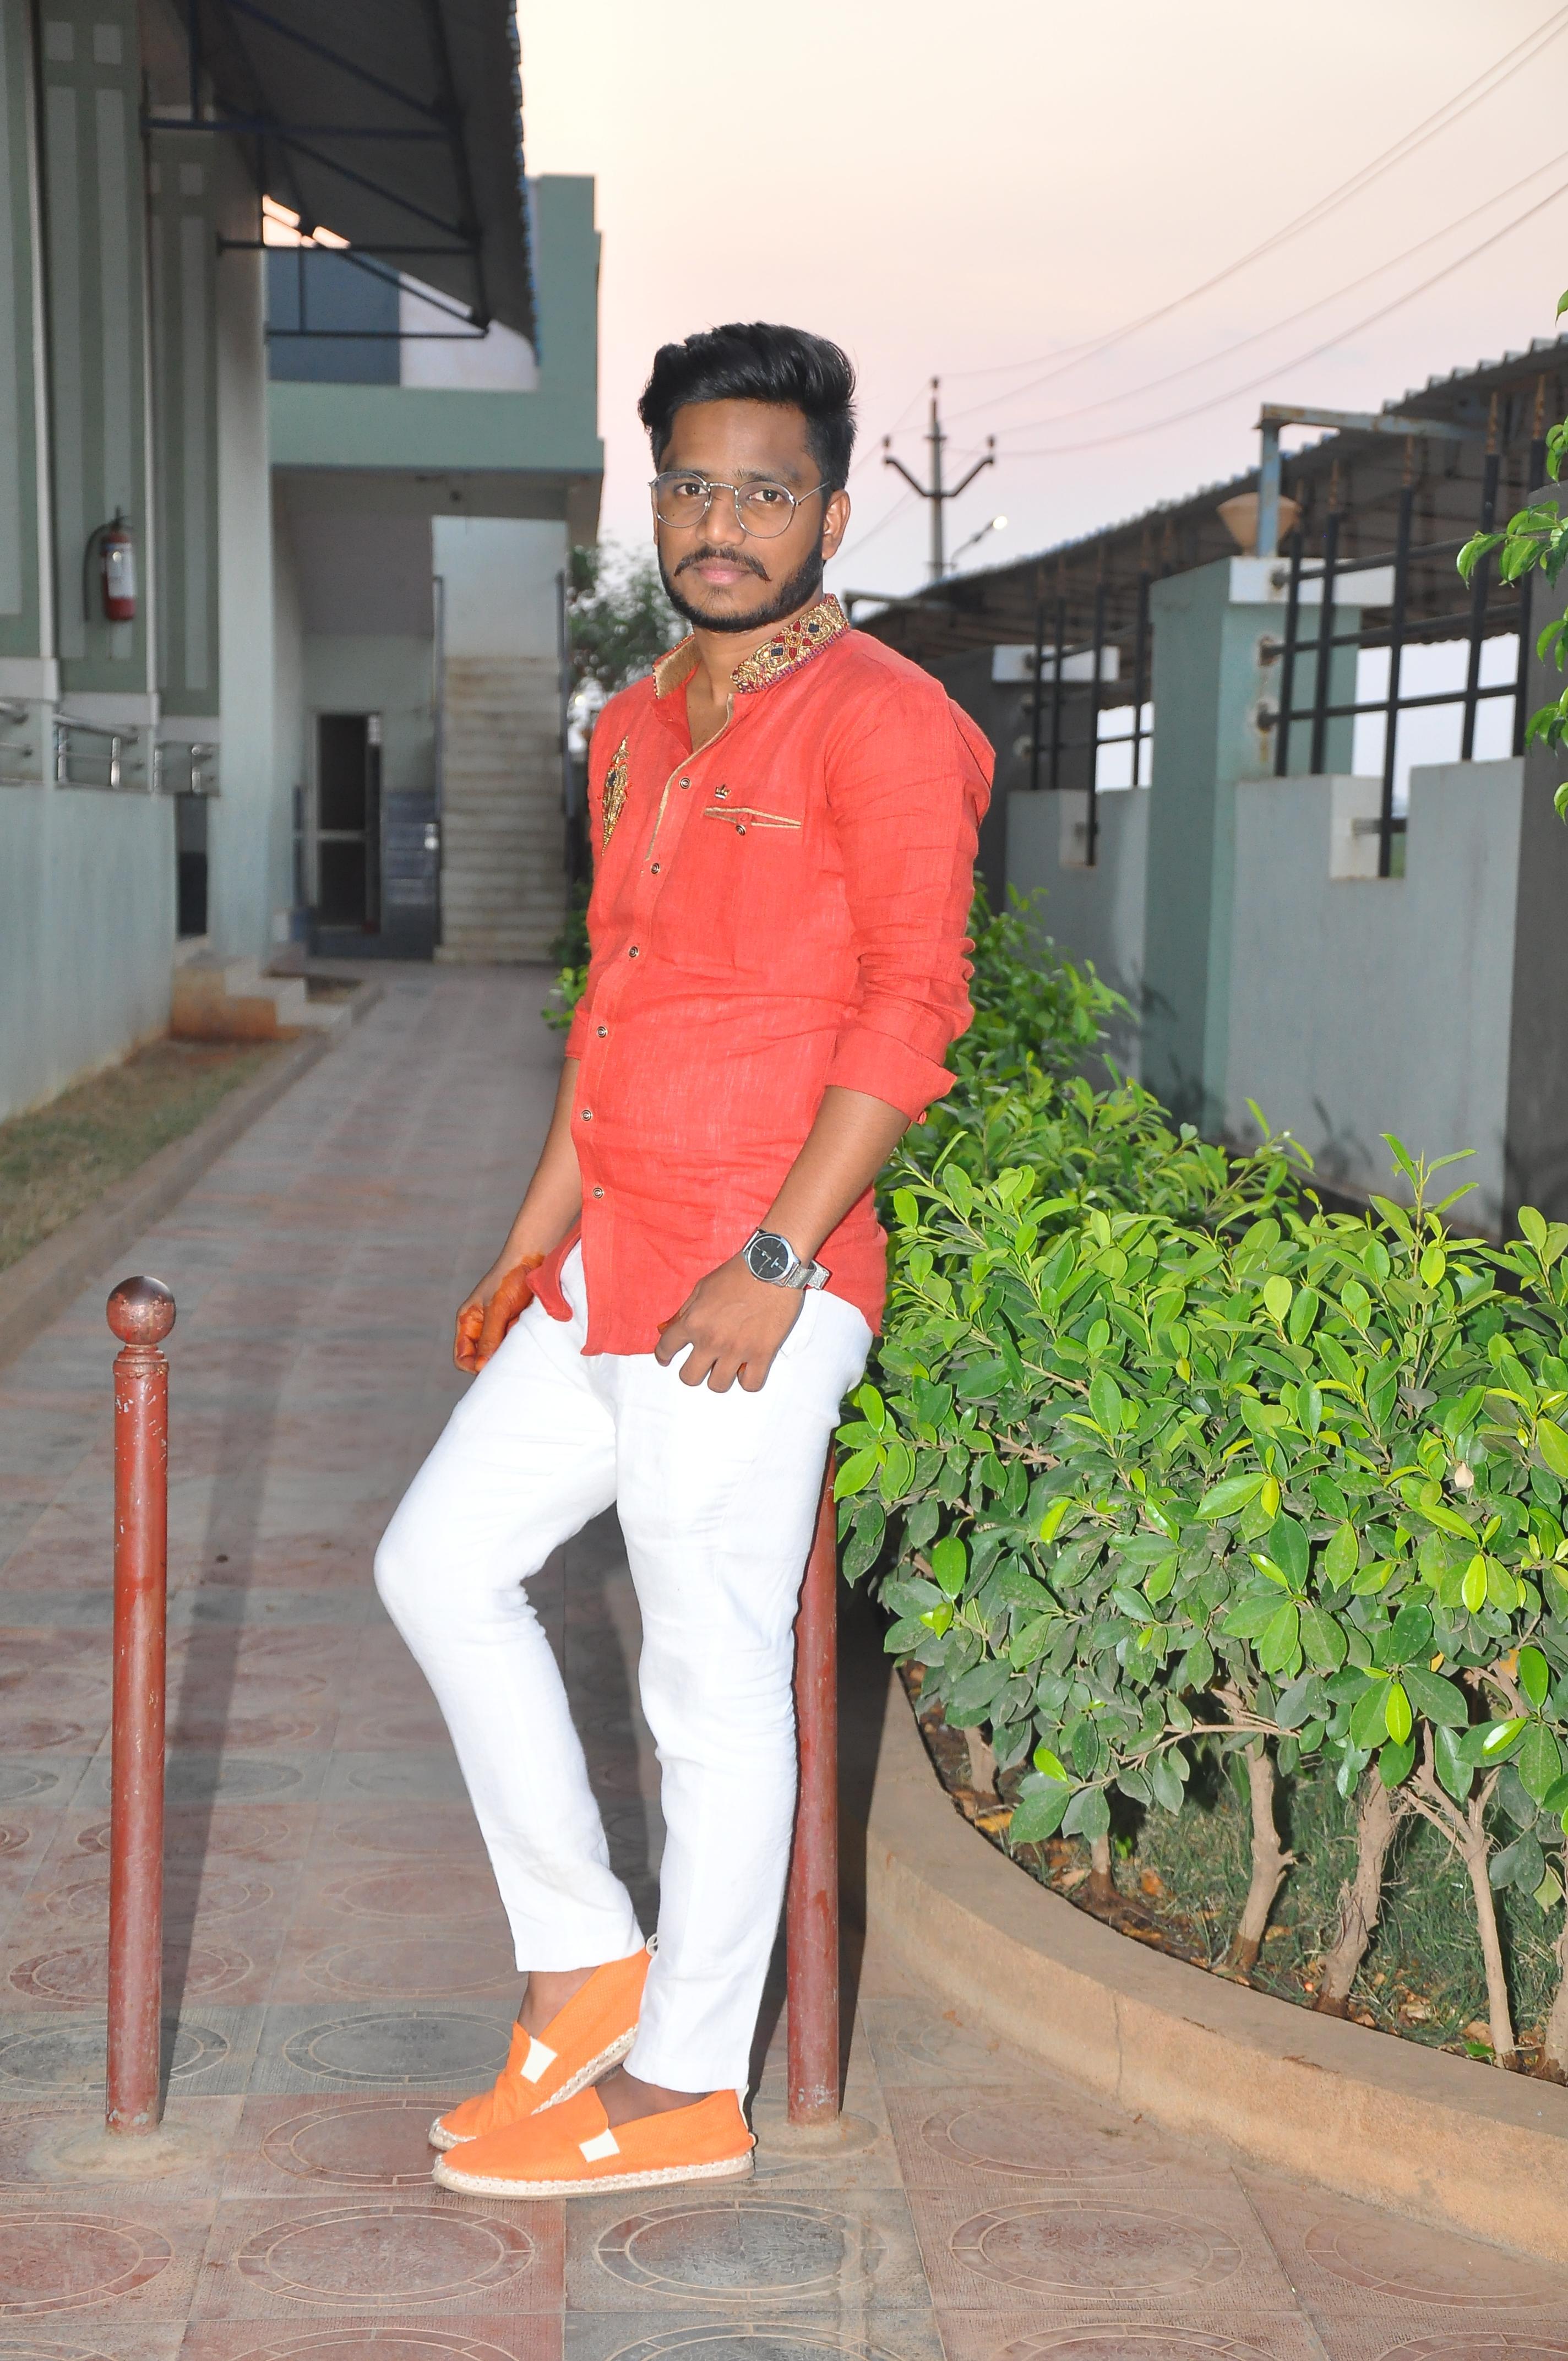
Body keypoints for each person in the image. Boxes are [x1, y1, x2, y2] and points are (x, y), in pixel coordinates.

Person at [374, 321, 992, 2200]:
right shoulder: (636, 727)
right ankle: (585, 1960)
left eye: (766, 492)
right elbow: (617, 1002)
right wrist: (532, 1234)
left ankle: (689, 2081)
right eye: (693, 487)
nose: (724, 525)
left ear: (832, 511)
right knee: (437, 1563)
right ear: (656, 498)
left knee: (708, 1683)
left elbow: (910, 1013)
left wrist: (778, 1260)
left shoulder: (889, 724)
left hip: (753, 1278)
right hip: (613, 1252)